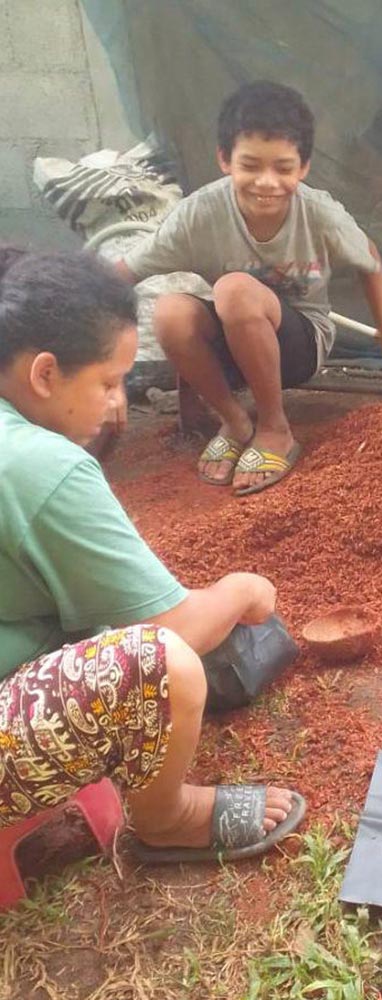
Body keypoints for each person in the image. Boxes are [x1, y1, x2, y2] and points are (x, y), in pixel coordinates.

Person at [0, 247, 305, 863]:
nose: (117, 405)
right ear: (44, 374)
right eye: (109, 383)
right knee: (158, 663)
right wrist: (244, 589)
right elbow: (172, 630)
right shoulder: (42, 466)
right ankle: (170, 819)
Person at [118, 79, 382, 496]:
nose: (266, 182)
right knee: (169, 312)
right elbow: (124, 271)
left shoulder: (318, 211)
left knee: (234, 288)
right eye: (250, 166)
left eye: (282, 168)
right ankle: (235, 421)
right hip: (234, 345)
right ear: (224, 159)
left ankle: (274, 427)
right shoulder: (200, 213)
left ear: (303, 167)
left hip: (299, 345)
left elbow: (370, 257)